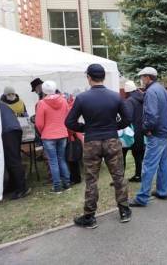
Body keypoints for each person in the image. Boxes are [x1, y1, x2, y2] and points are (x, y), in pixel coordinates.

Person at [66, 64, 132, 228]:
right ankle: (124, 211)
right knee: (118, 176)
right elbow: (127, 118)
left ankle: (89, 217)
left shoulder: (82, 98)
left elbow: (69, 122)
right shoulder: (115, 96)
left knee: (91, 180)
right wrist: (113, 127)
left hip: (91, 142)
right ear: (103, 77)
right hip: (111, 140)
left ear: (89, 77)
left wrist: (86, 128)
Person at [130, 67, 167, 206]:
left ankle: (142, 197)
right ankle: (163, 191)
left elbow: (152, 115)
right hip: (165, 132)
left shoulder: (151, 92)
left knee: (148, 164)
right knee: (163, 163)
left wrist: (145, 129)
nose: (141, 80)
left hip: (156, 133)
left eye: (142, 77)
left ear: (148, 77)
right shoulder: (163, 90)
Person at [35, 80, 71, 193]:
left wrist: (43, 132)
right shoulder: (64, 101)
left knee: (53, 161)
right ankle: (67, 184)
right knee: (62, 159)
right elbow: (67, 117)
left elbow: (39, 123)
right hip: (62, 133)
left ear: (43, 91)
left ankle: (57, 187)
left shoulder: (42, 103)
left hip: (48, 135)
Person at [0, 102, 31, 200]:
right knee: (11, 159)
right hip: (15, 129)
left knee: (13, 161)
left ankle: (22, 189)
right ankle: (13, 186)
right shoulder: (0, 104)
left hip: (8, 131)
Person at [123, 80, 145, 183]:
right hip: (141, 131)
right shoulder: (142, 97)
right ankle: (138, 175)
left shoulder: (129, 101)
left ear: (127, 91)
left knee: (121, 154)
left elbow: (128, 117)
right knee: (138, 155)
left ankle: (120, 178)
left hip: (130, 133)